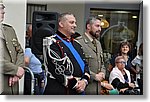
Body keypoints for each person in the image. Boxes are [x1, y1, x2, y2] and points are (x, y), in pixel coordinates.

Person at [43, 12, 90, 95]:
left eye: (75, 23)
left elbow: (85, 65)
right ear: (61, 24)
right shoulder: (51, 42)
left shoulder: (77, 44)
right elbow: (58, 69)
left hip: (79, 90)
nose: (75, 25)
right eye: (71, 22)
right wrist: (78, 86)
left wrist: (84, 81)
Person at [76, 17, 111, 95]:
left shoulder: (98, 43)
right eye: (97, 26)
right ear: (88, 27)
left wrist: (102, 72)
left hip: (97, 89)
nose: (100, 29)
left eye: (100, 27)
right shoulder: (78, 42)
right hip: (85, 88)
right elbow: (78, 66)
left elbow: (101, 62)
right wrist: (94, 76)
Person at [0, 1, 24, 95]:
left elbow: (20, 51)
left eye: (3, 8)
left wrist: (17, 70)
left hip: (12, 85)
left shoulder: (9, 30)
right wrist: (15, 70)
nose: (3, 11)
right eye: (0, 8)